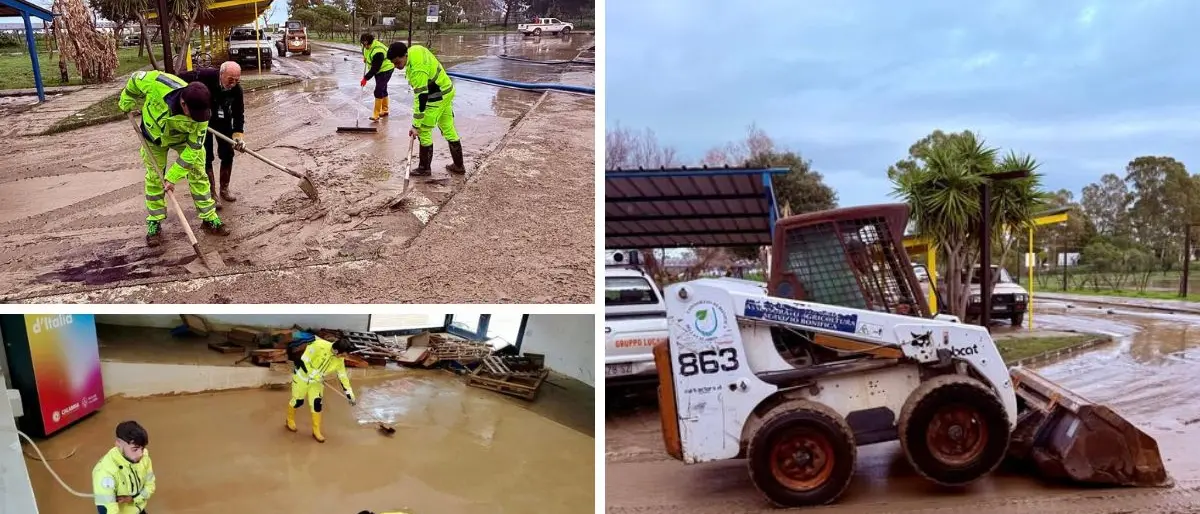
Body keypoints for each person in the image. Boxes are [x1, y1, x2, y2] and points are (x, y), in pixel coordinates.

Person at [119, 70, 231, 245]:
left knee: (198, 173)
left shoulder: (202, 116)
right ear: (184, 103)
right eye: (192, 114)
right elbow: (134, 79)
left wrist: (172, 177)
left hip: (182, 139)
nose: (197, 119)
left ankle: (209, 218)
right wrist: (127, 97)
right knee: (155, 178)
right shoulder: (158, 83)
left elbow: (193, 150)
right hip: (154, 137)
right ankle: (154, 222)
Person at [386, 41, 466, 176]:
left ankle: (424, 168)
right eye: (393, 63)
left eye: (398, 62)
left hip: (437, 96)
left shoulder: (417, 70)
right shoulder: (415, 49)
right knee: (448, 127)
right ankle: (459, 166)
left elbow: (421, 98)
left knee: (424, 130)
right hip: (446, 90)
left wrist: (415, 125)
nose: (396, 66)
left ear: (405, 55)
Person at [179, 61, 245, 207]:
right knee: (206, 155)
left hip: (223, 120)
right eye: (230, 80)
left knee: (228, 153)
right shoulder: (204, 76)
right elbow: (179, 80)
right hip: (203, 121)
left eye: (237, 80)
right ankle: (212, 194)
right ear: (221, 74)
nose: (233, 84)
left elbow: (238, 114)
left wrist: (238, 136)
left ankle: (224, 189)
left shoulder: (236, 90)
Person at [286, 332, 357, 443]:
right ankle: (289, 419)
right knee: (298, 401)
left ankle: (316, 430)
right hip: (302, 378)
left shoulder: (339, 360)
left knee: (317, 404)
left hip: (317, 382)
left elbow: (343, 376)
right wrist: (313, 374)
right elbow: (304, 360)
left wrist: (349, 394)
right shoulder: (318, 345)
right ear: (337, 351)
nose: (345, 357)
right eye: (344, 354)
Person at [92, 421, 156, 514]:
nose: (140, 454)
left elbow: (150, 485)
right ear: (118, 444)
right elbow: (109, 510)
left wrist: (134, 499)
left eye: (142, 448)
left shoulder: (144, 458)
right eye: (135, 449)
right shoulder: (104, 473)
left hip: (138, 508)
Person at [359, 33, 395, 121]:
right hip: (379, 69)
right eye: (364, 44)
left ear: (371, 42)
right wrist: (365, 58)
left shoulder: (378, 51)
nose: (365, 46)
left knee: (378, 90)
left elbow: (375, 68)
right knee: (383, 88)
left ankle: (376, 114)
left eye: (367, 45)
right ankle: (385, 110)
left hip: (386, 69)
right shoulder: (365, 46)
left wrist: (365, 78)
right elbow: (366, 53)